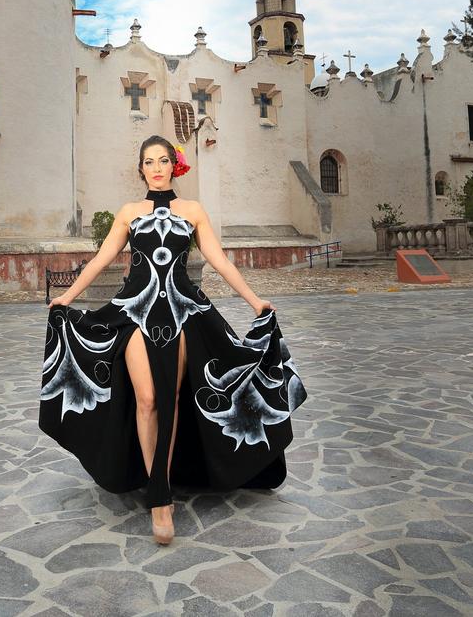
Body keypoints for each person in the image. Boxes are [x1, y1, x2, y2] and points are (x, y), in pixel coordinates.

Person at [39, 135, 308, 546]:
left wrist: (255, 301)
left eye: (163, 160)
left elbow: (218, 260)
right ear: (140, 169)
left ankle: (160, 493)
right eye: (149, 162)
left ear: (174, 165)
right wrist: (67, 297)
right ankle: (157, 490)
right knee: (147, 399)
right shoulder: (129, 213)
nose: (156, 168)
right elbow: (101, 259)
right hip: (135, 310)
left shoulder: (193, 211)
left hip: (182, 312)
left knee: (172, 399)